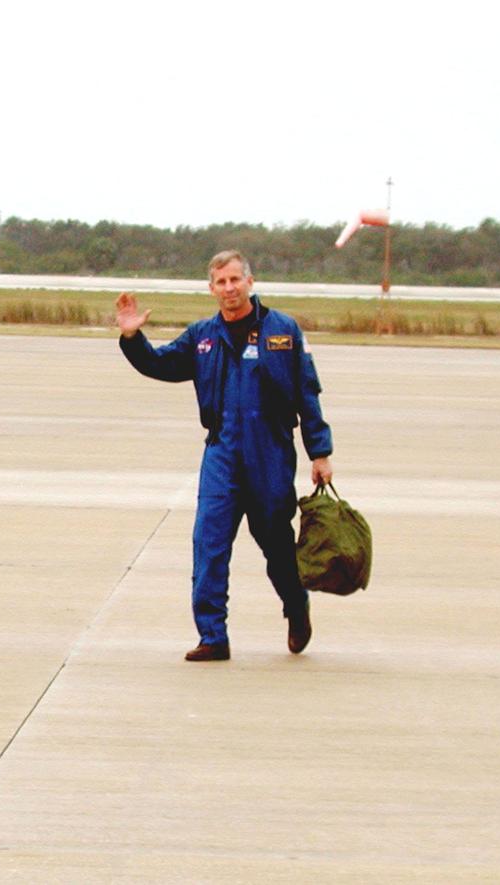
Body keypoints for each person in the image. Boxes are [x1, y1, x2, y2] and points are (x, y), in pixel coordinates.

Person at [115, 250, 334, 662]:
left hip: (269, 452)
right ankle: (213, 635)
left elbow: (308, 393)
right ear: (211, 288)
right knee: (208, 540)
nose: (229, 289)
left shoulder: (283, 331)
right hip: (221, 452)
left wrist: (319, 452)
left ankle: (296, 605)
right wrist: (132, 338)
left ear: (250, 282)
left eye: (236, 280)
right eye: (221, 282)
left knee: (276, 543)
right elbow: (160, 364)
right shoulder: (202, 336)